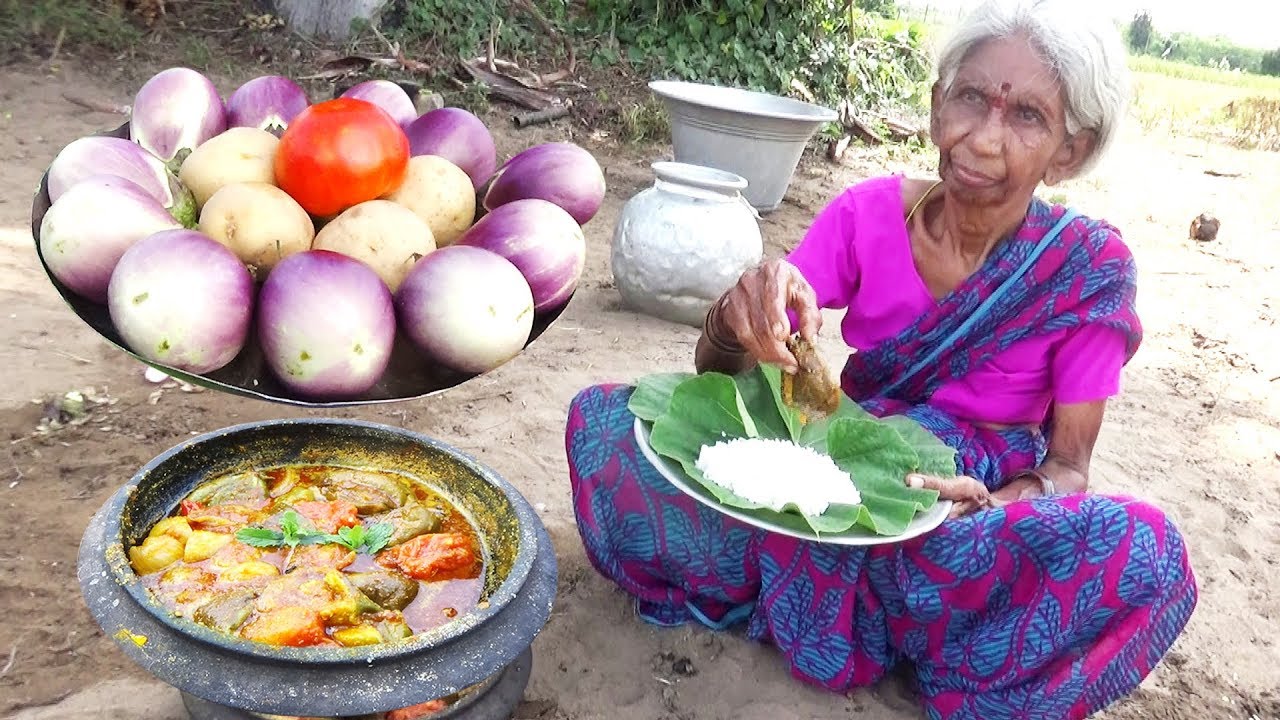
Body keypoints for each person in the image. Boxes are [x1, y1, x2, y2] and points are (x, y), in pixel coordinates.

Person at [564, 0, 1198, 717]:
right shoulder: (866, 216)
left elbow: (1070, 469)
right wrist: (738, 313)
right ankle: (880, 620)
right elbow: (727, 371)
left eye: (1027, 117)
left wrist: (996, 504)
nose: (984, 139)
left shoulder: (1085, 270)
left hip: (954, 527)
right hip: (839, 478)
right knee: (603, 424)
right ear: (935, 108)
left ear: (1068, 152)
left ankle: (855, 615)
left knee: (1148, 553)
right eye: (970, 98)